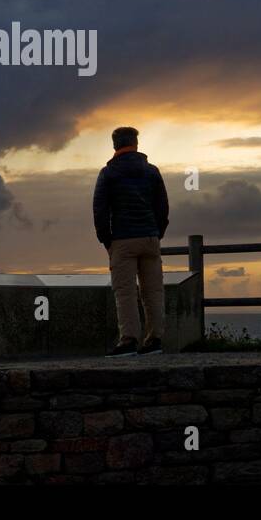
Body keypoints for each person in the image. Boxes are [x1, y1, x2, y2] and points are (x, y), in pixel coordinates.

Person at [92, 126, 169, 356]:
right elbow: (163, 208)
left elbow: (100, 211)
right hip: (150, 238)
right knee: (153, 291)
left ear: (115, 145)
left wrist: (107, 240)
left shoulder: (108, 173)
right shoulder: (152, 172)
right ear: (136, 144)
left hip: (123, 239)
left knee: (125, 292)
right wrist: (156, 232)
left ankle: (129, 340)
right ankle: (155, 340)